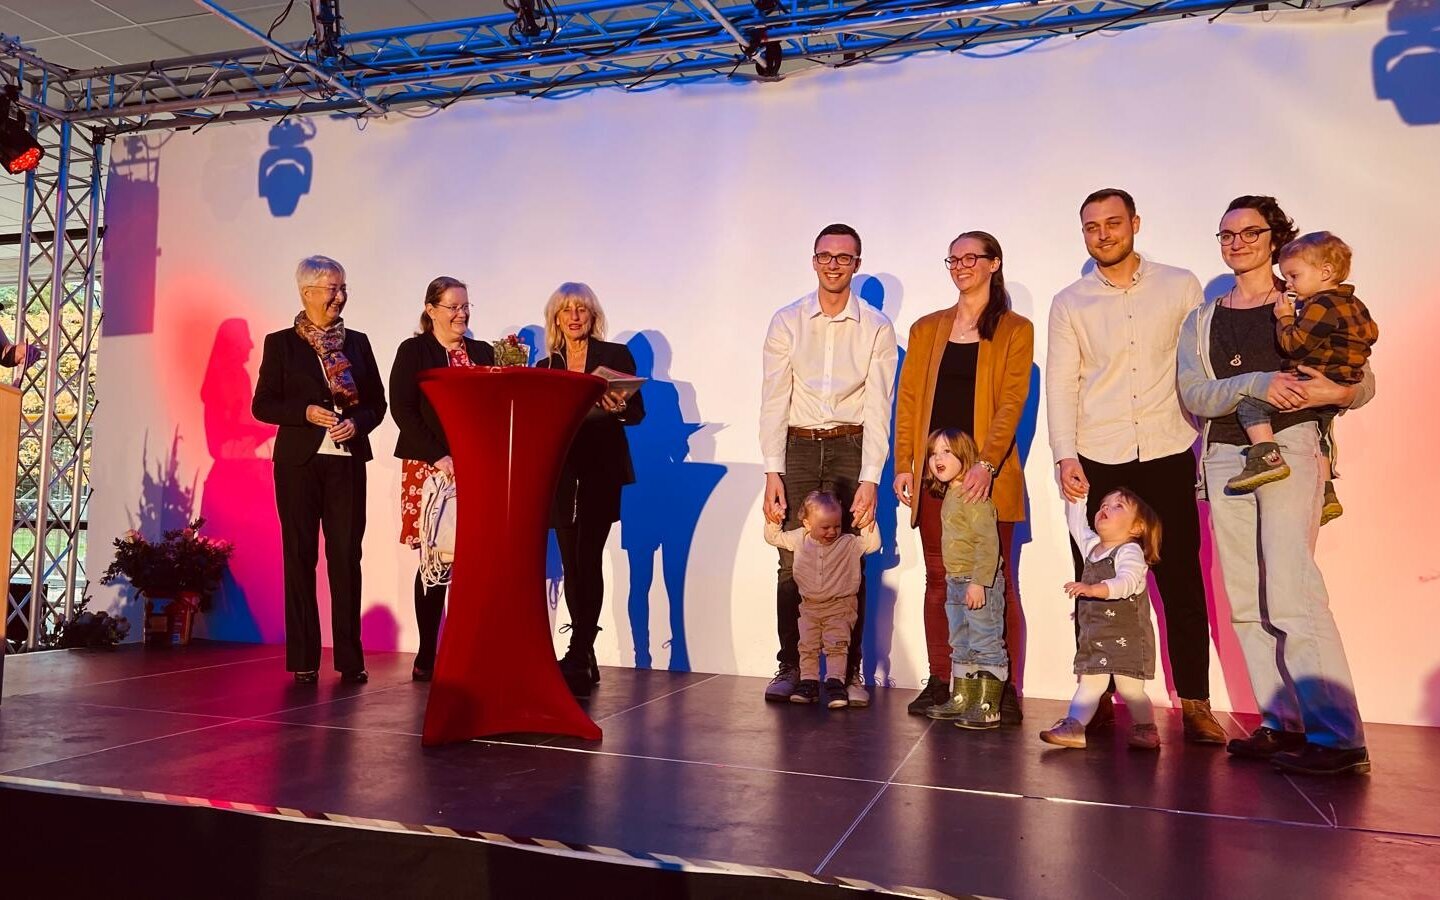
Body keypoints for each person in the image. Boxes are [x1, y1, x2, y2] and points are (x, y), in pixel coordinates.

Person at [1178, 195, 1375, 776]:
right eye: (1226, 235)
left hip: (1291, 443)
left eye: (1249, 232)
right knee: (1244, 597)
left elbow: (1359, 378)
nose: (1236, 243)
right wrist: (1258, 383)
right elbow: (1195, 393)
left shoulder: (1311, 298)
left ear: (1275, 237)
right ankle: (1281, 721)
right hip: (1225, 456)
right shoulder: (1204, 319)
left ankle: (1338, 738)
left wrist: (1339, 393)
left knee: (1292, 589)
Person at [1045, 187, 1226, 744]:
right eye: (1092, 226)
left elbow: (1197, 364)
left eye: (1113, 222)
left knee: (1181, 582)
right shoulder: (1070, 302)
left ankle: (1195, 703)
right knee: (1095, 582)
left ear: (1135, 224)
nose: (1103, 234)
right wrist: (1064, 454)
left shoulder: (1180, 285)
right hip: (1099, 456)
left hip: (1168, 449)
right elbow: (1062, 383)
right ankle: (1096, 701)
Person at [893, 230, 1033, 721]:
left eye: (971, 257)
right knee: (939, 579)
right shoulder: (927, 328)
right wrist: (905, 463)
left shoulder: (1015, 329)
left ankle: (1001, 687)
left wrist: (985, 463)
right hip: (935, 475)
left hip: (988, 476)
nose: (961, 266)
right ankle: (943, 681)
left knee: (994, 580)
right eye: (953, 259)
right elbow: (909, 400)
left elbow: (1012, 402)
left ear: (994, 263)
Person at [760, 223, 899, 707]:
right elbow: (774, 398)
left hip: (850, 445)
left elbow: (879, 406)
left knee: (849, 560)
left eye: (844, 257)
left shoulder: (877, 326)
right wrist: (772, 470)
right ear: (813, 260)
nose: (834, 264)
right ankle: (792, 666)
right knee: (790, 561)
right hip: (797, 446)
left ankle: (847, 671)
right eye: (825, 255)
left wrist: (870, 478)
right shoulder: (787, 320)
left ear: (857, 264)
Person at [253, 256, 387, 684]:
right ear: (307, 292)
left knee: (346, 557)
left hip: (347, 463)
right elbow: (263, 405)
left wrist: (357, 423)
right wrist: (305, 412)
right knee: (299, 557)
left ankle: (350, 658)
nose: (340, 296)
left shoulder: (358, 343)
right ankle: (304, 659)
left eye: (343, 287)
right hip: (299, 464)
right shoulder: (281, 344)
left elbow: (377, 403)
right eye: (332, 288)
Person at [1223, 231, 1378, 527]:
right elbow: (1372, 334)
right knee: (1320, 434)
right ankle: (1327, 492)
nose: (1289, 284)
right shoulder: (1355, 303)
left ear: (1325, 272)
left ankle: (1267, 457)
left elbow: (1293, 344)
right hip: (1340, 383)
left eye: (1294, 276)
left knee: (1250, 405)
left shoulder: (1320, 305)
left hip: (1312, 379)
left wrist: (1284, 317)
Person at [535, 282, 644, 697]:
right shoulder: (546, 366)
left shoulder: (614, 356)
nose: (574, 317)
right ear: (556, 318)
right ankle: (584, 653)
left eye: (581, 309)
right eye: (566, 310)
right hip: (562, 472)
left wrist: (620, 407)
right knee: (570, 560)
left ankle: (580, 649)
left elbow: (636, 413)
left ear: (592, 315)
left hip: (600, 470)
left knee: (588, 556)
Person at [388, 276, 496, 682]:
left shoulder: (482, 352)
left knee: (475, 559)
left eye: (466, 306)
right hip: (430, 467)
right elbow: (403, 409)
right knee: (435, 561)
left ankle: (469, 647)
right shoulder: (414, 351)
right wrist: (439, 455)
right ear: (431, 309)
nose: (461, 314)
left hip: (475, 468)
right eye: (453, 306)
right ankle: (427, 652)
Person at [1041, 489, 1163, 751]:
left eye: (1118, 506)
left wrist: (1094, 589)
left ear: (1137, 527)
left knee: (1130, 689)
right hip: (1096, 636)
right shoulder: (1092, 547)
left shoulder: (1130, 551)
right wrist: (1078, 496)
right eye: (1104, 504)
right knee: (1090, 683)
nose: (1106, 508)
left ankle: (1146, 727)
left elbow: (1126, 583)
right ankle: (1074, 727)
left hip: (1128, 639)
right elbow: (1076, 523)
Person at [917, 429, 1007, 730]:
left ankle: (988, 705)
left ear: (964, 455)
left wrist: (979, 582)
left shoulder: (973, 495)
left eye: (946, 452)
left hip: (977, 581)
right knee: (960, 641)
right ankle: (963, 697)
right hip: (956, 581)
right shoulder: (952, 494)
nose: (937, 459)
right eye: (933, 453)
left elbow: (988, 542)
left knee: (985, 639)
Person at [764, 491, 880, 709]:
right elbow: (774, 538)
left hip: (840, 606)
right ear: (807, 524)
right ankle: (809, 682)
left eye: (837, 526)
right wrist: (774, 520)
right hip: (809, 606)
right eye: (825, 527)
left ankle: (836, 683)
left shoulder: (847, 542)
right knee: (807, 646)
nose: (832, 532)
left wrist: (867, 521)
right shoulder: (800, 538)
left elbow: (872, 544)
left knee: (837, 645)